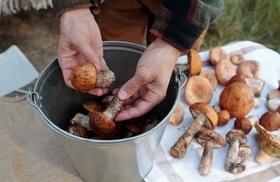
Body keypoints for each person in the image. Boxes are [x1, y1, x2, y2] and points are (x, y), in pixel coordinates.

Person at [52, 0, 224, 121]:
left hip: (188, 7)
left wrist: (173, 44)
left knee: (164, 63)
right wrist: (74, 8)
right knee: (114, 41)